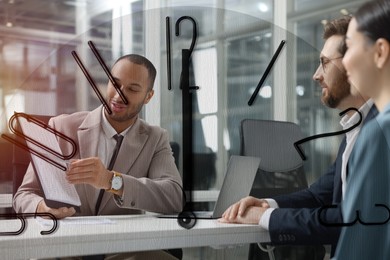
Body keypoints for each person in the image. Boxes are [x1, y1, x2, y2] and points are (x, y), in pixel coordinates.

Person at [219, 16, 378, 257]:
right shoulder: (355, 127)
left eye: (324, 62)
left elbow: (351, 218)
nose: (316, 75)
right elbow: (318, 196)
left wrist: (266, 216)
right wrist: (267, 203)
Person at [13, 54, 183, 259]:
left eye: (133, 89)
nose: (119, 95)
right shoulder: (61, 128)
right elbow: (23, 195)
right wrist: (42, 207)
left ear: (148, 96)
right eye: (115, 83)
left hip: (121, 250)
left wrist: (112, 181)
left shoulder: (155, 138)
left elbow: (174, 197)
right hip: (63, 249)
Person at [334, 0, 390, 259]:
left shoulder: (379, 134)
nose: (343, 62)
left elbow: (357, 252)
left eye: (348, 46)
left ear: (380, 52)